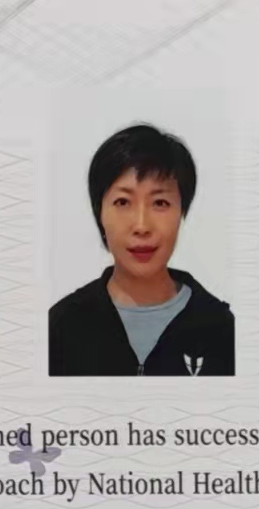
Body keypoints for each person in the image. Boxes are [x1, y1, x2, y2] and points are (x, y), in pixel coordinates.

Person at [48, 123, 234, 376]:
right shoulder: (60, 327)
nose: (142, 226)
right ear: (100, 213)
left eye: (160, 203)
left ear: (181, 212)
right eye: (123, 202)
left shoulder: (222, 329)